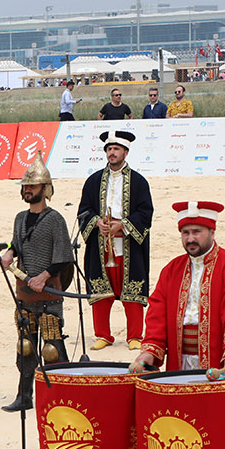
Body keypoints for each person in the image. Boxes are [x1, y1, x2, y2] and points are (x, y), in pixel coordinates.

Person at [129, 201, 225, 375]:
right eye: (185, 233)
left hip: (218, 360)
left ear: (212, 232)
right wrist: (149, 350)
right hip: (179, 359)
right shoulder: (171, 269)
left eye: (197, 232)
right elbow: (157, 314)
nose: (190, 239)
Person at [0, 153, 75, 412]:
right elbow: (17, 244)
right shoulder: (20, 218)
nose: (28, 190)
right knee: (26, 347)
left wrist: (44, 276)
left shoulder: (54, 219)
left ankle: (60, 398)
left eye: (32, 186)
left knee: (52, 349)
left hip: (48, 294)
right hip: (25, 294)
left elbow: (64, 256)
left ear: (45, 189)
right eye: (25, 187)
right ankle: (25, 396)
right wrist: (10, 251)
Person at [77, 130, 153, 350]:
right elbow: (84, 210)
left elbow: (146, 212)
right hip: (101, 244)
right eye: (109, 149)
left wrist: (124, 225)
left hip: (128, 243)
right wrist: (95, 222)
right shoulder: (93, 181)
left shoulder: (139, 182)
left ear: (125, 152)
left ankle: (135, 337)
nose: (112, 153)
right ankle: (103, 334)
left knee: (132, 287)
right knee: (101, 287)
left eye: (116, 149)